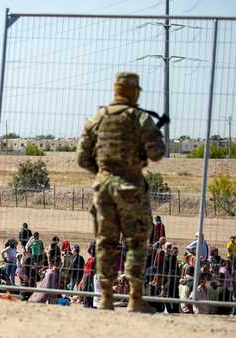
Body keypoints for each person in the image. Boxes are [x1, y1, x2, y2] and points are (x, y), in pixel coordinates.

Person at [77, 72, 166, 312]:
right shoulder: (140, 118)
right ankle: (135, 299)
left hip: (103, 188)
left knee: (105, 241)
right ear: (134, 91)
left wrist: (103, 173)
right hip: (130, 187)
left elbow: (82, 158)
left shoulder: (98, 118)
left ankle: (105, 297)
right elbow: (157, 153)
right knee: (136, 241)